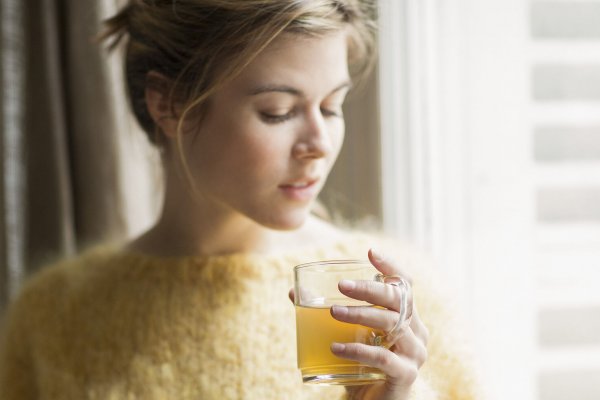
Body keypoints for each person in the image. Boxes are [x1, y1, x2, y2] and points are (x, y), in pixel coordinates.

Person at [0, 1, 480, 399]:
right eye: (279, 112)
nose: (320, 142)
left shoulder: (399, 307)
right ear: (167, 105)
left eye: (332, 107)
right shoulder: (54, 318)